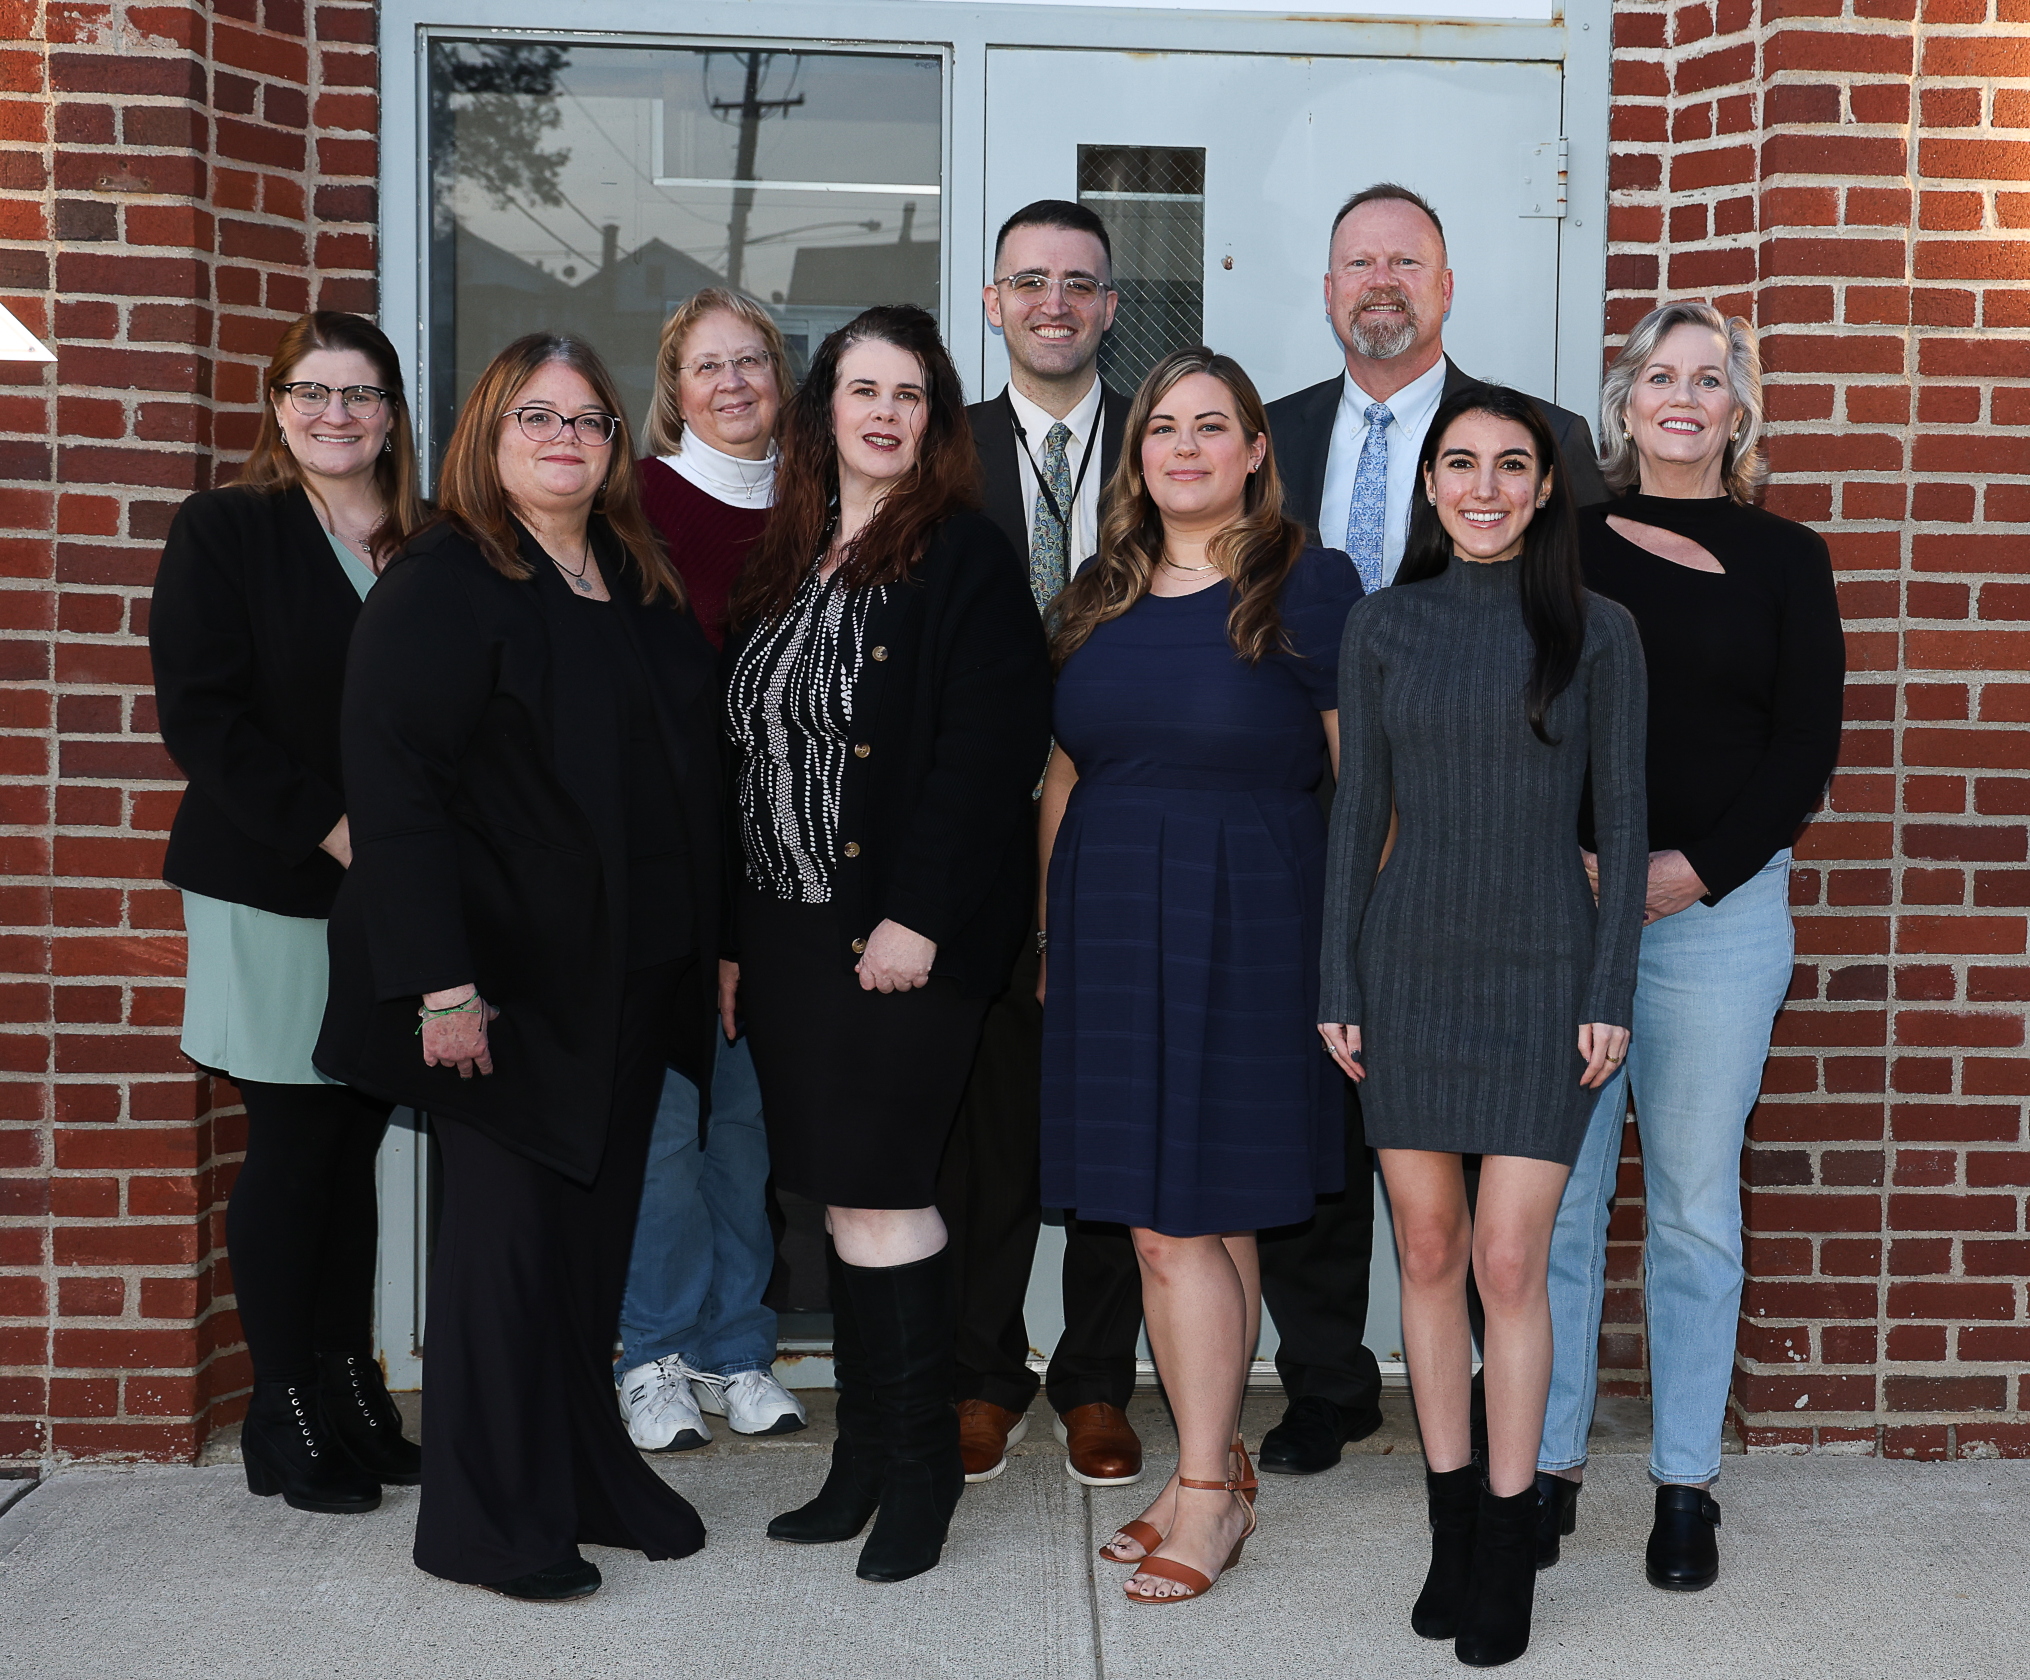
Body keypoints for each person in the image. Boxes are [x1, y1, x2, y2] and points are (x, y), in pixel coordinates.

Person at [315, 333, 723, 1602]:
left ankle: (583, 1473)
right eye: (536, 418)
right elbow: (395, 797)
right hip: (496, 989)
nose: (565, 440)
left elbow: (679, 784)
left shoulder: (630, 579)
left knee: (586, 1254)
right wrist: (440, 986)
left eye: (590, 422)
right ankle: (486, 1523)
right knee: (504, 1259)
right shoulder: (443, 580)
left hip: (627, 977)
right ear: (488, 437)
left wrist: (709, 947)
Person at [1255, 180, 1611, 1480]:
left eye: (1407, 260)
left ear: (1448, 286)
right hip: (1306, 828)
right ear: (1329, 285)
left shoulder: (1540, 437)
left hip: (1491, 864)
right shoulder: (1271, 436)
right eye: (1358, 262)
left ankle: (1493, 1463)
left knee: (1484, 1217)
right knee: (1316, 1120)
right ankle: (1323, 1383)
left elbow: (1583, 659)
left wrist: (1574, 845)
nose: (1381, 281)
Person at [1319, 384, 1646, 1667]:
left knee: (1510, 1264)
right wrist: (1334, 979)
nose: (1484, 487)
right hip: (1403, 973)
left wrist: (1607, 987)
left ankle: (1508, 1535)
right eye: (1459, 465)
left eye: (1511, 466)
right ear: (1429, 486)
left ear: (1545, 486)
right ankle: (1449, 1523)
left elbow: (1618, 826)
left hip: (1542, 979)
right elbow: (1356, 820)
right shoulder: (1380, 622)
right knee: (1427, 1248)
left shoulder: (1600, 630)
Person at [726, 305, 1051, 1584]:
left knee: (884, 1194)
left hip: (897, 938)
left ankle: (919, 1474)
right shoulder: (786, 556)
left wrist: (914, 916)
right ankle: (860, 1458)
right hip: (790, 935)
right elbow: (742, 755)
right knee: (840, 1197)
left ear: (935, 419)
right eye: (861, 388)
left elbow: (989, 754)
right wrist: (729, 938)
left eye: (908, 394)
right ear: (824, 410)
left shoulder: (961, 559)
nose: (883, 413)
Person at [1040, 347, 1361, 1605]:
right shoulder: (1096, 591)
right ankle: (1208, 1465)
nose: (1182, 447)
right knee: (1190, 1217)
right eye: (1161, 428)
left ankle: (1205, 1495)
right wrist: (1048, 936)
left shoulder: (1306, 582)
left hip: (1251, 924)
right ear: (1138, 458)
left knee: (1181, 1224)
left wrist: (1350, 951)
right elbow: (1064, 776)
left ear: (1250, 452)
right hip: (1112, 924)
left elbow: (1363, 782)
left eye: (1208, 426)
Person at [1535, 302, 1844, 1592]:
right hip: (1563, 909)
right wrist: (1579, 859)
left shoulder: (1786, 560)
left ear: (1736, 412)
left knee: (1693, 1210)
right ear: (1622, 406)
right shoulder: (1559, 541)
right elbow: (1522, 711)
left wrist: (1691, 870)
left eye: (1706, 379)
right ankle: (1539, 1467)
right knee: (1550, 1206)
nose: (1679, 396)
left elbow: (1802, 747)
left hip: (1717, 922)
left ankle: (1681, 1484)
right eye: (1656, 376)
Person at [150, 311, 425, 1516]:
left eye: (360, 395)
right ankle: (283, 1411)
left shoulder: (422, 544)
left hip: (391, 897)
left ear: (391, 412)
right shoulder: (229, 529)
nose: (336, 416)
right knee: (296, 1142)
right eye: (312, 393)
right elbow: (202, 718)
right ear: (277, 407)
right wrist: (338, 829)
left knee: (353, 1143)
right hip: (273, 881)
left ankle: (347, 1386)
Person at [943, 199, 1147, 1490]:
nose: (1054, 303)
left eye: (1079, 283)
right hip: (974, 825)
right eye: (1029, 281)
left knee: (1118, 1105)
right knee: (984, 1114)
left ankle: (1093, 1380)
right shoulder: (940, 452)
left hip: (1126, 819)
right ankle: (980, 1371)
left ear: (1111, 306)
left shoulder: (1166, 444)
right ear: (993, 303)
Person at [615, 287, 806, 1453]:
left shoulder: (815, 510)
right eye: (706, 367)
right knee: (663, 1133)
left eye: (752, 363)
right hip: (668, 868)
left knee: (746, 1134)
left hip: (777, 871)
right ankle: (652, 1354)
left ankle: (740, 1350)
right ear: (672, 387)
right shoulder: (631, 502)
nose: (732, 385)